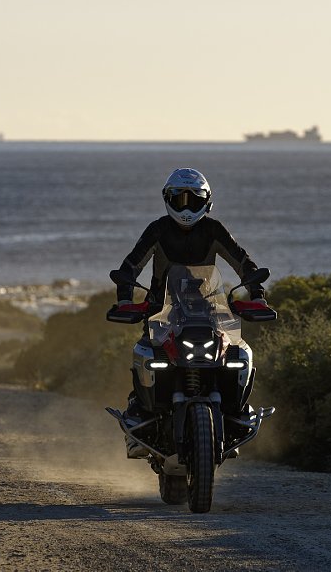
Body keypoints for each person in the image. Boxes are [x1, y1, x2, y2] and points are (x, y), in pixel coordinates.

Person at [114, 167, 266, 457]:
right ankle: (139, 416)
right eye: (178, 198)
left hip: (208, 311)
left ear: (206, 201)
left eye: (192, 199)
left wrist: (257, 294)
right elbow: (131, 265)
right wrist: (125, 298)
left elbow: (243, 261)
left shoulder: (214, 229)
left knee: (237, 354)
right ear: (167, 199)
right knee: (146, 354)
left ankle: (237, 412)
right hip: (162, 313)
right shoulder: (157, 229)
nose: (185, 205)